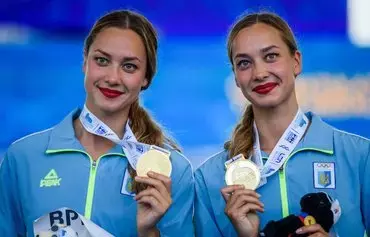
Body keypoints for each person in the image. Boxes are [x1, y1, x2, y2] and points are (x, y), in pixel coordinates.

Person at [0, 10, 194, 237]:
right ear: (85, 62)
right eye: (102, 60)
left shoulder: (173, 172)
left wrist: (148, 232)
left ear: (146, 78)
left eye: (129, 66)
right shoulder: (23, 158)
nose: (112, 78)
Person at [194, 11, 370, 237]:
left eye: (270, 56)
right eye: (245, 63)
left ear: (296, 62)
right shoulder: (210, 178)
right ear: (237, 78)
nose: (259, 73)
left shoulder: (359, 157)